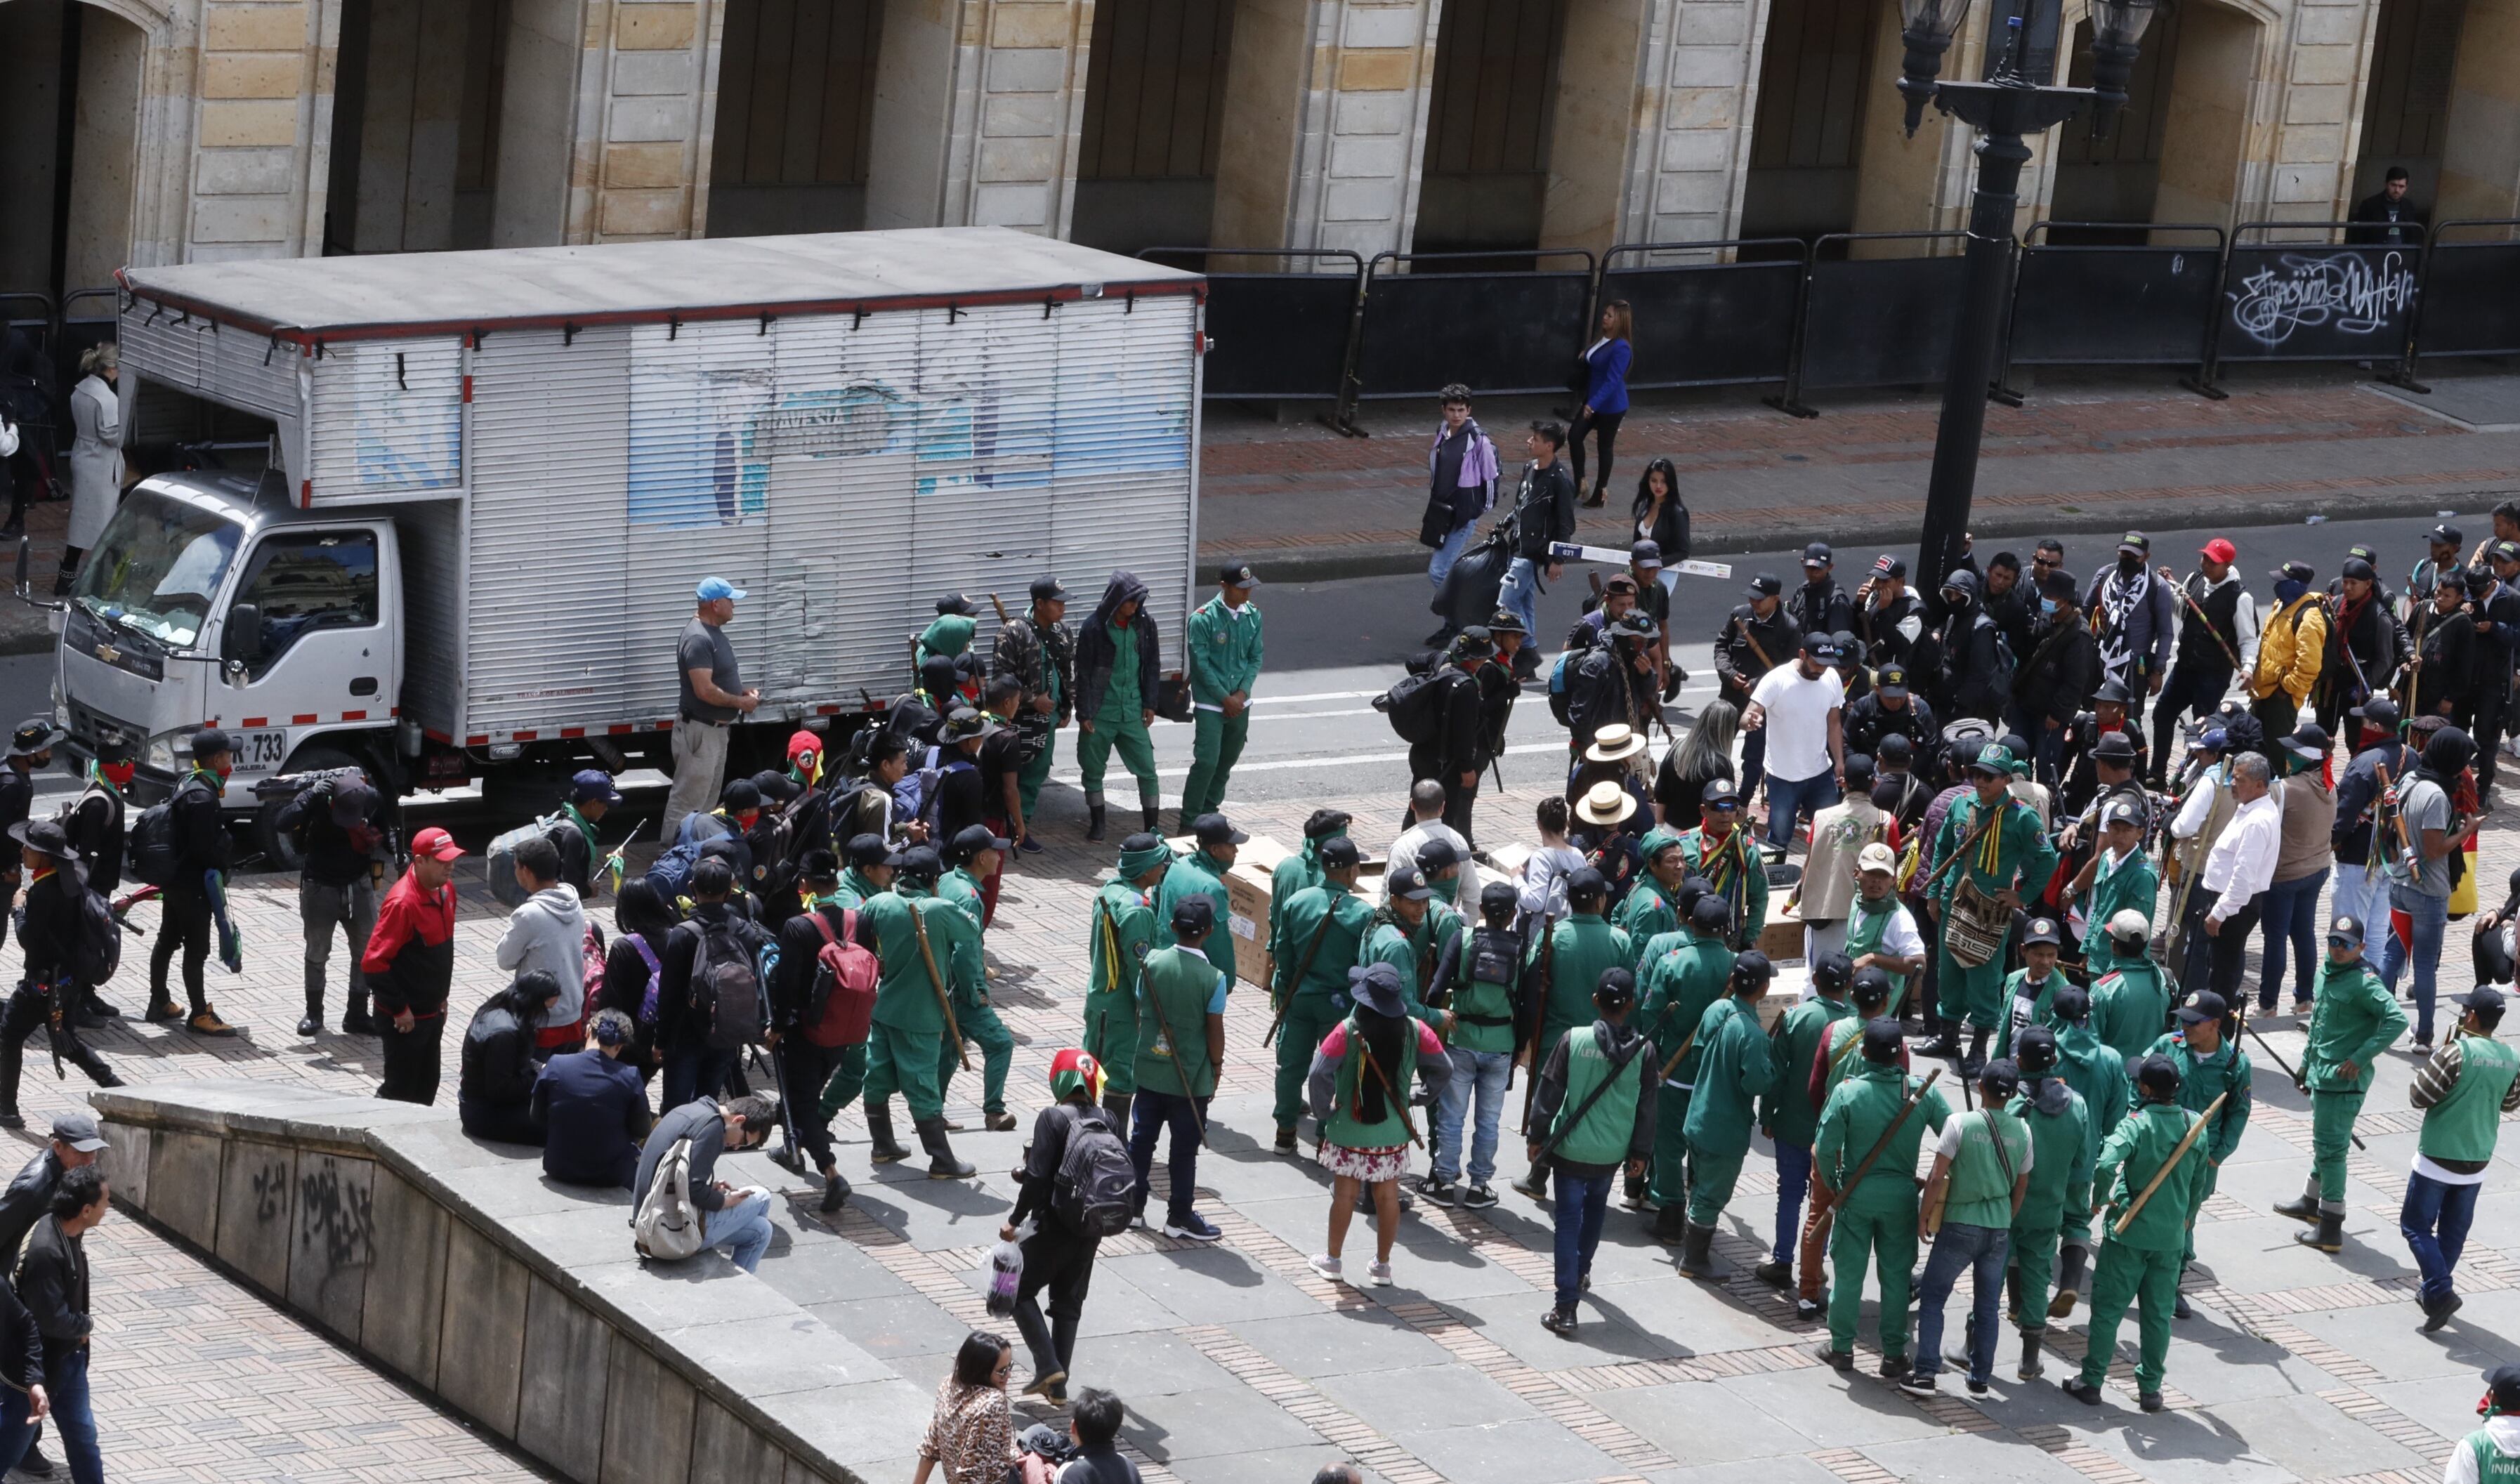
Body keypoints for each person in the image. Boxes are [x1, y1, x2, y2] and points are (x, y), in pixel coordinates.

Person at [2063, 1054, 2207, 1412]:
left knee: (2108, 1311)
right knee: (2157, 1316)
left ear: (2145, 1088)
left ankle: (2092, 1380)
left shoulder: (2136, 1124)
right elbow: (2199, 1185)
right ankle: (2151, 1390)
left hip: (2128, 1234)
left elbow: (2107, 1163)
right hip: (2170, 1237)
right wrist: (2187, 1217)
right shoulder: (2194, 1126)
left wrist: (2099, 1199)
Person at [1814, 1020, 1953, 1376]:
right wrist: (1937, 1184)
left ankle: (1842, 1348)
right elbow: (1954, 1138)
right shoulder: (1923, 1092)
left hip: (1856, 1195)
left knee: (1848, 1274)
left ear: (1863, 1053)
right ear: (1903, 1055)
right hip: (1901, 1197)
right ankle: (1894, 1354)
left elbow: (1826, 1149)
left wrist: (1836, 1184)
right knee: (1896, 1276)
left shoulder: (1847, 1093)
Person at [1305, 962, 1453, 1287]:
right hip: (1392, 1130)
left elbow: (1318, 1073)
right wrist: (1421, 1098)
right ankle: (1382, 1266)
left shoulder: (1346, 1030)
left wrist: (1324, 1110)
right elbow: (1444, 1067)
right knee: (1387, 1197)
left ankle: (1333, 1260)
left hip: (1349, 1128)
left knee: (1344, 1195)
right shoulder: (1416, 1030)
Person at [2266, 915, 2405, 1256]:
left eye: (2345, 944)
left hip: (2343, 1082)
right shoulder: (2325, 972)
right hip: (2322, 1074)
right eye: (2333, 941)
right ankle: (2312, 1201)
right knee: (2325, 1143)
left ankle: (2330, 1226)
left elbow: (2397, 1020)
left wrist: (2360, 1057)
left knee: (2332, 1151)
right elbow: (2318, 1024)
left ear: (2361, 948)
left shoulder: (2365, 982)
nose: (2337, 949)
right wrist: (2304, 1066)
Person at [1529, 968, 1655, 1335]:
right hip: (1611, 1154)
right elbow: (1648, 1109)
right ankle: (1581, 1272)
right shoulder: (1645, 1050)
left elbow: (1548, 1094)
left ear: (1595, 1000)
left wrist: (1537, 1137)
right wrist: (1641, 1153)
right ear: (1631, 1005)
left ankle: (1565, 1306)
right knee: (1596, 1211)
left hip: (1571, 1149)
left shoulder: (1574, 1040)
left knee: (1567, 1220)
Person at [1922, 743, 2057, 1069]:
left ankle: (1979, 1048)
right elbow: (1942, 849)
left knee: (1985, 978)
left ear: (2006, 779)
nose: (1981, 782)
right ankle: (1948, 1036)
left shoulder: (2021, 816)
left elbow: (2047, 859)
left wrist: (2022, 896)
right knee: (1948, 973)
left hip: (1989, 910)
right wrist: (1934, 893)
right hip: (1953, 902)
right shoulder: (1960, 804)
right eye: (1977, 774)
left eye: (1989, 777)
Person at [1000, 1051, 1120, 1407]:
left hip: (1054, 1224)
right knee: (1068, 1304)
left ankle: (1047, 1365)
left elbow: (1038, 1176)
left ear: (1059, 1081)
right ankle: (1058, 1387)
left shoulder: (1051, 1117)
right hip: (1091, 1226)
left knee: (1014, 1289)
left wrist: (1014, 1219)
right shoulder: (1109, 1118)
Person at [1908, 1059, 2032, 1396]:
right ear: (2012, 1095)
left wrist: (1924, 1216)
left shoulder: (1959, 1123)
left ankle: (1925, 1374)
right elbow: (2022, 1185)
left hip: (1960, 1225)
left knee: (1933, 1296)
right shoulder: (2023, 1130)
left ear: (1981, 1087)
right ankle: (1979, 1380)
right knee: (1988, 1306)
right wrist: (2007, 1216)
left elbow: (1936, 1178)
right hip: (1999, 1229)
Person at [862, 846, 985, 1178]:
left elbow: (864, 940)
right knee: (922, 1085)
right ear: (933, 879)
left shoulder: (880, 902)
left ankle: (883, 1144)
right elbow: (972, 931)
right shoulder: (939, 909)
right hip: (921, 1014)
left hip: (884, 1007)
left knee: (876, 1077)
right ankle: (942, 1160)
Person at [2403, 985, 2520, 1329]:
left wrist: (2439, 1053)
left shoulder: (2455, 1052)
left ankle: (2440, 1288)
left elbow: (2418, 1095)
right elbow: (2511, 1104)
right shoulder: (2511, 1057)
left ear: (2470, 1015)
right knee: (2453, 1234)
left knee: (2415, 1226)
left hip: (2438, 1156)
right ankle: (2433, 1294)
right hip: (2477, 1157)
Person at [1514, 869, 1632, 1203]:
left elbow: (1534, 986)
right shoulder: (1618, 940)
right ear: (1599, 901)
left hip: (1556, 1040)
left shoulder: (1553, 936)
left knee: (1549, 1106)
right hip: (1604, 1042)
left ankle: (1539, 1174)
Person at [767, 852, 871, 1211]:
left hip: (806, 1031)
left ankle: (830, 1172)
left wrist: (778, 1026)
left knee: (803, 1102)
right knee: (806, 1092)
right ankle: (790, 1147)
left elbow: (787, 984)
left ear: (803, 885)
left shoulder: (799, 927)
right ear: (838, 882)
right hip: (847, 1029)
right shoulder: (860, 921)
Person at [0, 822, 120, 1124]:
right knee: (66, 1041)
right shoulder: (71, 882)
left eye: (30, 848)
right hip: (67, 983)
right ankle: (115, 1086)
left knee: (9, 1037)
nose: (23, 851)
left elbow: (29, 939)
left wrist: (18, 908)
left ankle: (7, 1109)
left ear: (46, 857)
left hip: (40, 986)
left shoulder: (43, 893)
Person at [2143, 990, 2253, 1301]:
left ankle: (2171, 1283)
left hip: (2200, 1159)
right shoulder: (2168, 1045)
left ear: (2215, 1024)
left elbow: (2239, 1113)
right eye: (2184, 1021)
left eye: (2194, 1022)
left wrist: (2218, 1156)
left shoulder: (2234, 1063)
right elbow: (2139, 1080)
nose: (2186, 1027)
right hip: (2158, 1146)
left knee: (2183, 1219)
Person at [1268, 836, 1375, 1155]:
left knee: (1291, 1066)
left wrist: (1288, 989)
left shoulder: (1297, 902)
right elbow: (1363, 965)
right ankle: (1324, 1135)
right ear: (1352, 870)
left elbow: (1282, 954)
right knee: (1333, 1071)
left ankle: (1285, 1131)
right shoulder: (1362, 913)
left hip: (1299, 997)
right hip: (1339, 1004)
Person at [1636, 893, 1734, 1238]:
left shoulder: (1672, 962)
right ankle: (1699, 1213)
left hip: (1675, 1072)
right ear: (1725, 929)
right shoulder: (1736, 966)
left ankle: (1671, 1213)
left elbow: (1652, 1015)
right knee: (1704, 1147)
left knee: (1668, 1144)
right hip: (1717, 1076)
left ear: (1691, 923)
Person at [1672, 952, 1775, 1277]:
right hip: (1724, 1129)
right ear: (1763, 989)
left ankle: (1693, 1243)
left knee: (1700, 1184)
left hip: (1698, 1116)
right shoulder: (1754, 1036)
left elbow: (1699, 1051)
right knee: (1711, 1195)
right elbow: (1756, 1083)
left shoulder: (1717, 1009)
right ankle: (1694, 1260)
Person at [1130, 898, 1228, 1241]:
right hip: (1190, 1078)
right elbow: (1215, 1030)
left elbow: (1142, 1005)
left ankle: (1134, 1207)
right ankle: (1179, 1216)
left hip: (1149, 1072)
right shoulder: (1214, 979)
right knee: (1183, 1153)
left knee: (1141, 1142)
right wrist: (1217, 1067)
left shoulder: (1152, 962)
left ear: (1173, 926)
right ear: (1209, 932)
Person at [1759, 952, 1853, 1292]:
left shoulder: (1797, 1017)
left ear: (1815, 980)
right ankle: (1815, 1266)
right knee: (1823, 1202)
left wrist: (1766, 1116)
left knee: (1790, 1194)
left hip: (1793, 1126)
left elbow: (1776, 1073)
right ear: (1850, 985)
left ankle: (1783, 1260)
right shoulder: (1856, 1027)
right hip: (1835, 1134)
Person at [1424, 881, 1523, 1209]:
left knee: (1452, 1116)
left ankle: (1443, 1179)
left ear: (1480, 910)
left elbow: (1437, 988)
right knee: (1488, 1121)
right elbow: (1530, 1005)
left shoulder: (1462, 939)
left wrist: (1430, 1020)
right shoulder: (1524, 949)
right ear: (1512, 915)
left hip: (1461, 1040)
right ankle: (1480, 1185)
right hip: (1501, 1045)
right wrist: (1519, 1045)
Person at [2381, 727, 2479, 1051]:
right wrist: (2468, 831)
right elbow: (2435, 850)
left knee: (2393, 954)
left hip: (2400, 882)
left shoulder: (2409, 780)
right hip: (2428, 890)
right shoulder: (2436, 796)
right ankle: (2424, 1035)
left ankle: (2379, 1022)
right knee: (2423, 963)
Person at [2006, 1027, 2094, 1381]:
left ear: (2018, 1061)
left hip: (2005, 1208)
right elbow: (2082, 1162)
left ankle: (1971, 1349)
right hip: (2049, 1208)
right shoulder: (2078, 1105)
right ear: (2054, 1060)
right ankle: (2030, 1359)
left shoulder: (2010, 1105)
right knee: (2037, 1278)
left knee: (1989, 1277)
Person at [145, 726, 239, 1036]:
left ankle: (159, 1002)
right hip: (192, 886)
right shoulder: (201, 796)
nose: (231, 762)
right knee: (196, 950)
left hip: (175, 881)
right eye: (228, 756)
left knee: (168, 941)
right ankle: (200, 1014)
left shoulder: (189, 781)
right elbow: (203, 849)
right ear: (215, 759)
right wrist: (224, 859)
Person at [653, 858, 766, 1110]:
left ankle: (675, 1149)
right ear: (729, 892)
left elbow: (668, 994)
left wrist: (660, 1040)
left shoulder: (682, 934)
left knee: (676, 1108)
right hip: (726, 1033)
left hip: (685, 1035)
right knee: (708, 1104)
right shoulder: (744, 931)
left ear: (692, 888)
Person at [2146, 539, 2257, 787]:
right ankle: (2157, 773)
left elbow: (2249, 640)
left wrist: (2248, 668)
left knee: (2202, 729)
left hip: (2213, 674)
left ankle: (2192, 780)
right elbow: (2182, 609)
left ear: (2227, 565)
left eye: (2213, 562)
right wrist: (2169, 588)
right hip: (2185, 667)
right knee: (2162, 714)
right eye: (2204, 558)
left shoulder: (2241, 597)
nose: (2206, 564)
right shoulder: (2195, 578)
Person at [367, 826, 464, 1104]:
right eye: (443, 861)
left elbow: (440, 951)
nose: (451, 867)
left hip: (431, 1014)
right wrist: (400, 1010)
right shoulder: (402, 903)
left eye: (452, 859)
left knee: (426, 1089)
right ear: (420, 861)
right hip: (405, 1021)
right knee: (399, 1094)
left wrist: (441, 998)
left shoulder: (446, 890)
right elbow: (373, 964)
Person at [20, 1166, 104, 1483]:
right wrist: (85, 1325)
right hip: (40, 1367)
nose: (107, 1208)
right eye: (105, 1202)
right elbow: (51, 1319)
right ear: (85, 1210)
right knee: (11, 1442)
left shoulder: (67, 1232)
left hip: (67, 1360)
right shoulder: (47, 1250)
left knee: (84, 1440)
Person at [2175, 750, 2280, 1002]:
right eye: (2233, 777)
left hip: (2233, 908)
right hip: (2228, 903)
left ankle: (2219, 1031)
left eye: (2240, 780)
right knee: (2219, 969)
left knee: (2222, 975)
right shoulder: (2248, 809)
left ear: (2259, 785)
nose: (2233, 784)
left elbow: (2243, 879)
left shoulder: (2257, 820)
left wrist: (2218, 914)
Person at [635, 1093, 777, 1272]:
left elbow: (681, 1178)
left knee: (762, 1230)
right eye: (743, 1141)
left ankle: (741, 1287)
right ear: (739, 1120)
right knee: (762, 1196)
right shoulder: (712, 1129)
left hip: (647, 1214)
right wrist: (725, 1201)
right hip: (667, 1229)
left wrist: (709, 1188)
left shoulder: (692, 1110)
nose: (736, 1147)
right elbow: (693, 1189)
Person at [665, 577, 761, 841]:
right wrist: (740, 702)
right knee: (687, 800)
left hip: (715, 731)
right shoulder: (698, 638)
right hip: (701, 731)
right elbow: (704, 690)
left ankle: (696, 853)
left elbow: (715, 681)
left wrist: (740, 692)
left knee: (706, 802)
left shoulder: (711, 634)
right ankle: (671, 853)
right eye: (730, 601)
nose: (734, 606)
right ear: (715, 604)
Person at [1073, 571, 1164, 842]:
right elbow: (1083, 672)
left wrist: (1150, 703)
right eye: (1130, 602)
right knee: (1093, 769)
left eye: (1138, 602)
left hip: (1133, 711)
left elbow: (1152, 666)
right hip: (1102, 712)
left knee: (1147, 770)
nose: (1135, 607)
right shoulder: (1094, 628)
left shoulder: (1145, 625)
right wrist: (1085, 711)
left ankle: (1152, 829)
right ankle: (1098, 824)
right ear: (1116, 601)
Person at [1086, 835, 1168, 1131]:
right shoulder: (1137, 909)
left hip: (1099, 1001)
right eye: (1159, 862)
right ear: (1146, 868)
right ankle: (1113, 1146)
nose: (1163, 868)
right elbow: (1140, 970)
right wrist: (1151, 1010)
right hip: (1121, 1010)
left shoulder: (1109, 891)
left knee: (1091, 1070)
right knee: (1119, 1077)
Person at [938, 826, 1018, 1127]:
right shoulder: (970, 898)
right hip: (962, 991)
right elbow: (964, 952)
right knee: (1000, 1043)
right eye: (995, 852)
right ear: (982, 858)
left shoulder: (948, 880)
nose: (1000, 857)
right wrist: (974, 993)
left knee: (949, 1052)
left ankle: (932, 1113)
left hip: (945, 987)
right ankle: (994, 1111)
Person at [2259, 725, 2338, 1011]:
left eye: (2292, 751)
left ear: (2305, 756)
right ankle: (2305, 998)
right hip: (2317, 870)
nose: (2288, 756)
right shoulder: (2330, 785)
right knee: (2304, 933)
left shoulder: (2284, 790)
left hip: (2284, 877)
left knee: (2276, 938)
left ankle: (2267, 1003)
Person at [991, 576, 1075, 845]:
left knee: (1036, 774)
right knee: (1009, 776)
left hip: (1047, 719)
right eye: (1057, 603)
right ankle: (1002, 827)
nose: (1062, 608)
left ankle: (1021, 827)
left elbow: (1066, 672)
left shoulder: (1062, 632)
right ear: (1039, 604)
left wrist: (1066, 705)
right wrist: (1031, 699)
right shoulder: (1014, 631)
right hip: (1018, 718)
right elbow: (1001, 679)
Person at [1179, 564, 1264, 828]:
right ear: (1224, 587)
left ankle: (1210, 813)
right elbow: (1200, 665)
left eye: (1249, 587)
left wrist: (1241, 693)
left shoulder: (1253, 616)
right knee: (1206, 761)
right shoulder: (1203, 619)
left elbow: (1255, 657)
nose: (1247, 593)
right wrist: (1225, 698)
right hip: (1211, 704)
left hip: (1240, 703)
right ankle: (1189, 820)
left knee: (1227, 761)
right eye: (1241, 588)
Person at [1745, 632, 1846, 848]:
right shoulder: (1776, 679)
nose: (1822, 670)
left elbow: (1834, 723)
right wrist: (1750, 721)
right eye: (1817, 663)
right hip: (1783, 777)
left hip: (1820, 774)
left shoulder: (1831, 678)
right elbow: (1749, 714)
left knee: (1830, 834)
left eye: (1826, 665)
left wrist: (1839, 760)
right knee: (1779, 838)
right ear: (1802, 654)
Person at [534, 1010, 652, 1188]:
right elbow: (643, 1129)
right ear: (620, 1047)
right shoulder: (630, 1077)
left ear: (588, 1031)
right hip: (610, 1175)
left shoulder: (556, 1064)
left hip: (558, 1166)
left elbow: (537, 1117)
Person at [495, 834, 588, 1058]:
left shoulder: (529, 915)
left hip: (541, 1019)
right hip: (573, 1012)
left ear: (526, 871)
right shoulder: (574, 902)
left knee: (534, 1085)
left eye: (516, 867)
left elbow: (504, 959)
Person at [1787, 754, 1886, 961]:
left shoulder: (1821, 817)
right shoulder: (1887, 821)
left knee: (1818, 979)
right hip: (1868, 916)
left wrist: (1794, 898)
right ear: (1874, 783)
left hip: (1824, 914)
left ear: (1843, 782)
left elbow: (1808, 864)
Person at [2332, 698, 2415, 933]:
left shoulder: (2364, 763)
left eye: (2365, 721)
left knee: (2346, 931)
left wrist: (2327, 844)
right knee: (2377, 931)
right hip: (2394, 855)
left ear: (2376, 727)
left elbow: (2343, 817)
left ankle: (2350, 971)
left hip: (2359, 859)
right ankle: (2374, 972)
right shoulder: (2410, 755)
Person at [1716, 574, 1799, 798]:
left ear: (1775, 599)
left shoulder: (1790, 628)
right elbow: (1722, 647)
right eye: (1752, 597)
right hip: (1731, 696)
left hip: (1764, 702)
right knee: (1716, 747)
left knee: (1754, 755)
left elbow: (1790, 669)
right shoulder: (1739, 615)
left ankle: (1743, 799)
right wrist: (1729, 674)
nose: (1754, 603)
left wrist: (1756, 684)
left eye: (1760, 599)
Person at [2013, 570, 2099, 783]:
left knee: (2046, 767)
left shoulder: (2079, 635)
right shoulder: (2046, 616)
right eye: (2045, 595)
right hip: (2027, 703)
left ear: (2065, 600)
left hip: (2051, 716)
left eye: (2052, 597)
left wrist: (2058, 713)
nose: (2046, 600)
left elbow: (2076, 681)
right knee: (2017, 759)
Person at [1494, 422, 1576, 641]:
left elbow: (1566, 523)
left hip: (1532, 551)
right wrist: (1503, 526)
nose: (1529, 442)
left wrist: (1558, 559)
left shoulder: (1560, 479)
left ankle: (1527, 649)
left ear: (1549, 446)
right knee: (1524, 602)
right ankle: (1528, 655)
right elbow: (1521, 506)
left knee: (1507, 600)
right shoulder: (1530, 467)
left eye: (1535, 439)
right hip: (1516, 544)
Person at [459, 971, 562, 1143]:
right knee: (562, 1126)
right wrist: (541, 1079)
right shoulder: (504, 1035)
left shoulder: (500, 1010)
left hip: (486, 1103)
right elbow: (501, 1089)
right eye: (545, 1008)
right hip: (484, 1112)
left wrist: (539, 1068)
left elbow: (512, 1061)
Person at [1410, 631, 1494, 838]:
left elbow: (1412, 662)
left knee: (1417, 807)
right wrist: (1467, 768)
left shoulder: (1440, 660)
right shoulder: (1466, 687)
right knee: (1443, 817)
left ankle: (1407, 849)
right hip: (1445, 763)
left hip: (1422, 751)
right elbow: (1464, 733)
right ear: (1477, 659)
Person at [1422, 385, 1500, 600]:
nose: (1457, 415)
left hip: (1461, 516)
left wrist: (1475, 510)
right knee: (1448, 570)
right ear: (1444, 410)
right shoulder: (1442, 433)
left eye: (1461, 410)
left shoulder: (1478, 441)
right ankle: (1455, 621)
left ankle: (1464, 612)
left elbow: (1491, 477)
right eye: (1452, 410)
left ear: (1469, 410)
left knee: (1438, 572)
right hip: (1441, 512)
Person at [914, 1332, 1016, 1484]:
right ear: (982, 1371)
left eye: (1010, 1367)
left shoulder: (948, 1384)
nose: (1009, 1375)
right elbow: (971, 1474)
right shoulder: (992, 1403)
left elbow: (930, 1447)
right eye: (1002, 1371)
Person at [61, 344, 122, 597]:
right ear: (111, 368)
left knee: (84, 520)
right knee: (105, 520)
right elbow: (110, 435)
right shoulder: (107, 398)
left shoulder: (81, 389)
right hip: (100, 463)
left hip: (83, 456)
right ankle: (114, 573)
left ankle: (67, 575)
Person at [2068, 801, 2156, 971]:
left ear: (2140, 833)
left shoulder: (2142, 875)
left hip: (2120, 965)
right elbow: (2098, 911)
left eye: (2127, 830)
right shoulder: (2106, 858)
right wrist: (2088, 950)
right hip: (2098, 957)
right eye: (2115, 829)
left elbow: (2137, 932)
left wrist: (2125, 970)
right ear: (2107, 829)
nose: (2120, 836)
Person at [2249, 560, 2326, 737]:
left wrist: (2285, 690)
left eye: (2282, 582)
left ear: (2295, 586)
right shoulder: (2281, 605)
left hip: (2281, 700)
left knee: (2277, 755)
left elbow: (2310, 667)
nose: (2277, 586)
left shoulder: (2309, 619)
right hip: (2263, 691)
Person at [2087, 910, 2172, 1062]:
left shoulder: (2103, 989)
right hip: (2153, 1075)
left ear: (2113, 945)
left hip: (2115, 1077)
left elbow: (2092, 1042)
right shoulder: (2166, 979)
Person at [1930, 569, 2012, 725]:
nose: (1953, 599)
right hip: (1945, 701)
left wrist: (1960, 705)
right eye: (1950, 594)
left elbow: (1979, 674)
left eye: (1958, 595)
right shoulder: (1955, 617)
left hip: (1967, 712)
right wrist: (1937, 632)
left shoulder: (1981, 628)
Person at [1569, 301, 1631, 505]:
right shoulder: (1602, 339)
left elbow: (1613, 380)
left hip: (1610, 406)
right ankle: (1581, 481)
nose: (1605, 317)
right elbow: (1594, 358)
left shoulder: (1622, 347)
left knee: (1605, 447)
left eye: (1610, 316)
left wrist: (1592, 404)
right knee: (1574, 436)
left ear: (1620, 320)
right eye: (1605, 314)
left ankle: (1600, 492)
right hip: (1593, 400)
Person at [1388, 779, 1481, 909]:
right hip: (1451, 923)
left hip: (1411, 927)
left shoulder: (1402, 846)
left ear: (1412, 805)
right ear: (1443, 806)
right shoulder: (1458, 841)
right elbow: (1473, 896)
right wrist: (1462, 925)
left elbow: (1389, 897)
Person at [1991, 916, 2071, 1063]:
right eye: (2039, 954)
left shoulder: (2063, 992)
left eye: (2051, 955)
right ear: (2023, 950)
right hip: (2010, 1066)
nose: (2046, 962)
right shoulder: (2014, 979)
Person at [1652, 697, 1738, 828]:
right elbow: (1723, 809)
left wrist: (1658, 827)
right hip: (1700, 837)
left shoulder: (1677, 750)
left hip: (1670, 830)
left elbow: (1661, 793)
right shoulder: (1721, 765)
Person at [1515, 796, 1587, 926]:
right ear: (1566, 824)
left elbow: (1536, 903)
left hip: (1547, 935)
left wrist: (1517, 879)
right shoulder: (1578, 855)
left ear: (1539, 824)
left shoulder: (1540, 858)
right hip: (1573, 929)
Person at [1853, 553, 1925, 669]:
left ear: (1900, 581)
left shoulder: (1914, 611)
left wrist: (1884, 612)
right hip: (1867, 668)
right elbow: (1860, 631)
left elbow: (1899, 646)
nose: (1879, 585)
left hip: (1893, 676)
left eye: (1885, 581)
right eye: (1877, 580)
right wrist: (1859, 604)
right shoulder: (1874, 598)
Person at [2349, 164, 2428, 245]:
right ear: (2386, 184)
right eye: (2393, 185)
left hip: (2402, 253)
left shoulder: (2408, 206)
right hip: (2375, 252)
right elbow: (2358, 235)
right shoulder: (2369, 205)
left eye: (2401, 186)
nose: (2397, 190)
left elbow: (2413, 234)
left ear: (2406, 188)